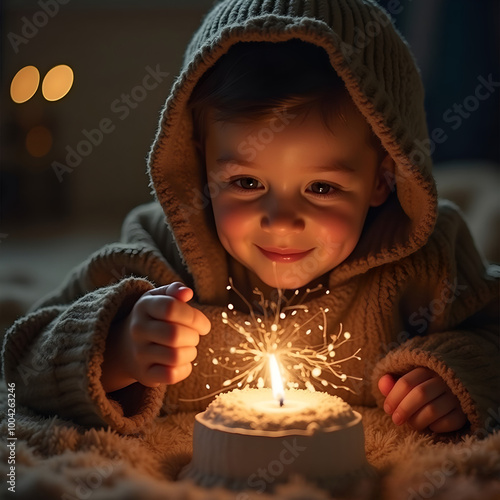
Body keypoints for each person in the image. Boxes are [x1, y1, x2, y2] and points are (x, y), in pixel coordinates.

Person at [3, 0, 498, 437]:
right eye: (246, 183)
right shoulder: (154, 256)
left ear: (383, 179)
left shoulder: (430, 262)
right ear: (200, 166)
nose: (281, 222)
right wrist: (114, 351)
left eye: (321, 188)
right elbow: (23, 362)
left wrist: (460, 373)